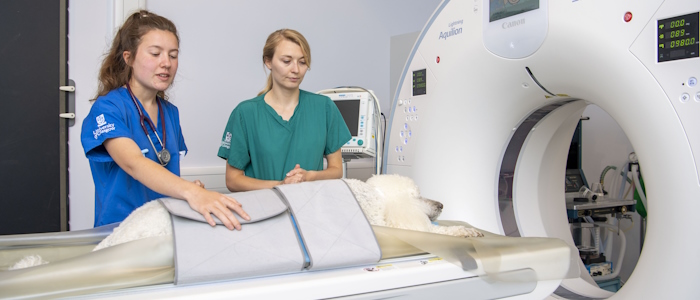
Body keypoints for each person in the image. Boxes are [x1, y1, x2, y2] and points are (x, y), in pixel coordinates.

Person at [81, 10, 249, 230]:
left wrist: (185, 189)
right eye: (155, 53)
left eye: (173, 55)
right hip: (120, 232)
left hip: (162, 230)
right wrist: (192, 192)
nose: (166, 63)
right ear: (128, 57)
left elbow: (163, 175)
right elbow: (134, 163)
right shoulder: (108, 108)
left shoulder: (170, 113)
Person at [218, 29, 351, 192]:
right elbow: (233, 180)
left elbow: (336, 170)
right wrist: (280, 186)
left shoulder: (324, 108)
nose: (295, 69)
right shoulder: (245, 114)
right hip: (264, 210)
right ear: (268, 61)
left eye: (302, 62)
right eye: (286, 61)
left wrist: (308, 176)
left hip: (310, 210)